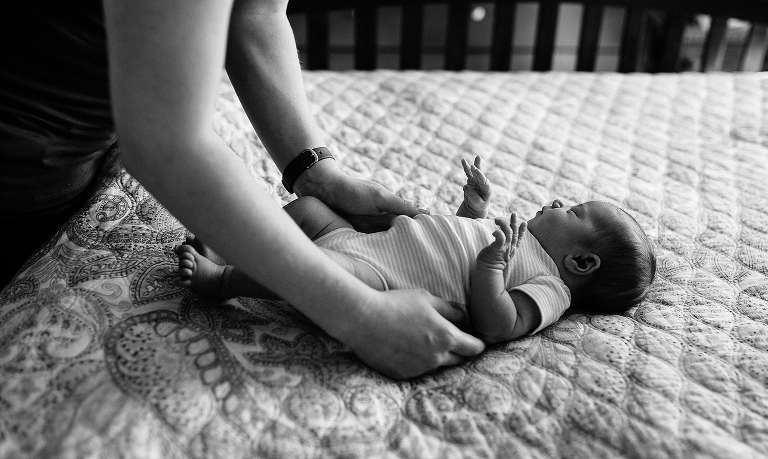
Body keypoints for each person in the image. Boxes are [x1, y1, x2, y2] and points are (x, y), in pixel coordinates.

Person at [0, 0, 486, 378]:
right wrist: (361, 316)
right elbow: (165, 142)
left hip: (96, 135)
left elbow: (253, 10)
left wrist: (316, 170)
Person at [176, 157, 657, 343]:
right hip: (371, 241)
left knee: (308, 267)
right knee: (306, 207)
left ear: (581, 262)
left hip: (379, 278)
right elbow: (454, 241)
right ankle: (227, 244)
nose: (554, 202)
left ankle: (225, 281)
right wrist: (472, 209)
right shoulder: (520, 236)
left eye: (570, 211)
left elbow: (497, 323)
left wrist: (492, 266)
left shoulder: (552, 289)